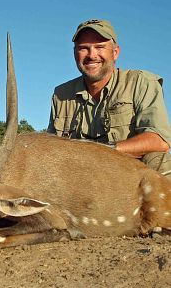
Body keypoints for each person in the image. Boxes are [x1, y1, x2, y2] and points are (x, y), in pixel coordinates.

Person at [47, 19, 171, 179]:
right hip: (79, 176)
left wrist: (101, 152)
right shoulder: (61, 94)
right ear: (74, 53)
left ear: (115, 52)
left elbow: (159, 141)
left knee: (161, 161)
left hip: (130, 175)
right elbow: (51, 148)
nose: (92, 55)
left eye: (99, 47)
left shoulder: (142, 82)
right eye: (84, 48)